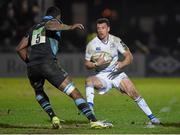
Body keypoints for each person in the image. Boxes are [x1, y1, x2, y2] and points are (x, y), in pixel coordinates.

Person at [16, 7, 113, 129]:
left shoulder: (34, 28)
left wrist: (30, 62)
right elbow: (50, 26)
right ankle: (93, 121)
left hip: (32, 68)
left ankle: (53, 117)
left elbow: (19, 48)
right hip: (48, 64)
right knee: (74, 93)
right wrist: (70, 27)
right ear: (58, 16)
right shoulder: (53, 22)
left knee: (39, 91)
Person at [84, 18, 160, 125]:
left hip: (116, 74)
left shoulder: (116, 40)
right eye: (98, 28)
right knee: (89, 81)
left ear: (108, 29)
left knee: (133, 92)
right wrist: (96, 64)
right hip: (101, 76)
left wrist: (122, 64)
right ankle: (91, 117)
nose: (100, 30)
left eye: (103, 28)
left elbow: (129, 56)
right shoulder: (91, 44)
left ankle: (152, 118)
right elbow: (87, 64)